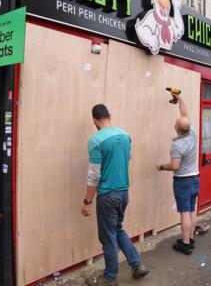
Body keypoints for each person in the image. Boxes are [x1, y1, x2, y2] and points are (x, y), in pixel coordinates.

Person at [81, 104, 149, 286]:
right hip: (123, 193)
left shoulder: (96, 141)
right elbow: (128, 158)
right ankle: (137, 265)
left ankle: (110, 277)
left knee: (108, 237)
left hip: (108, 196)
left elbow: (94, 175)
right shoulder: (126, 136)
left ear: (95, 121)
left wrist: (87, 201)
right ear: (110, 116)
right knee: (117, 230)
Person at [156, 94, 199, 255]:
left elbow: (174, 166)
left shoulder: (177, 145)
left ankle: (185, 243)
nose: (175, 122)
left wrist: (161, 167)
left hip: (183, 182)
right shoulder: (192, 132)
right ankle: (191, 238)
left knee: (184, 213)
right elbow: (185, 114)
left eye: (176, 123)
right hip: (195, 179)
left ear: (177, 129)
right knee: (192, 210)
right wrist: (180, 99)